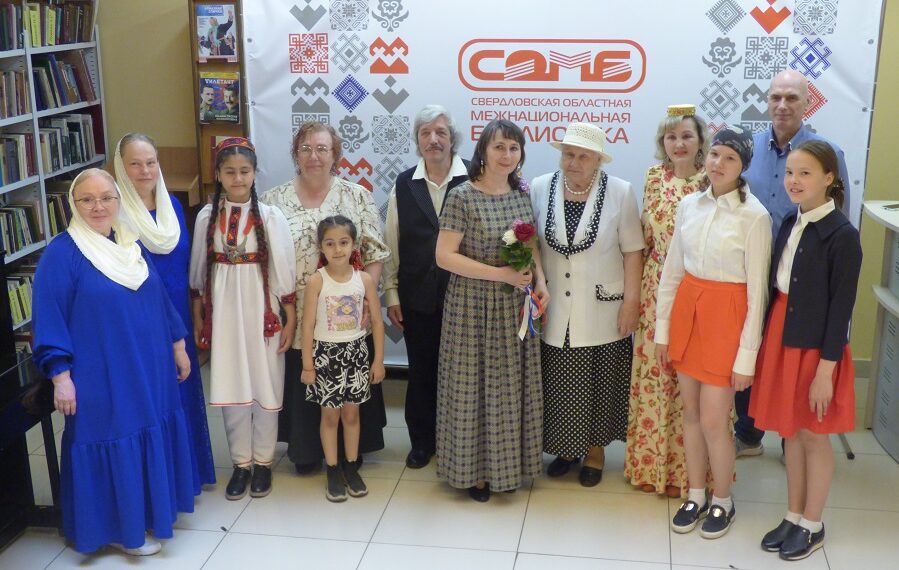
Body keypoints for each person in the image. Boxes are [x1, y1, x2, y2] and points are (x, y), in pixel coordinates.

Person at [33, 169, 195, 556]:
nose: (98, 206)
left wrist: (177, 345)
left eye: (107, 197)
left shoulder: (129, 242)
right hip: (102, 374)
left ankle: (148, 514)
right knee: (111, 435)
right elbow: (49, 318)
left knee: (145, 429)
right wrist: (61, 377)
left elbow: (159, 298)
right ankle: (119, 529)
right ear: (73, 204)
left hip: (149, 367)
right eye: (87, 199)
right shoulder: (62, 254)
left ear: (119, 200)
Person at [655, 126, 772, 539]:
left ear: (743, 166)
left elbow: (757, 293)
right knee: (689, 413)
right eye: (716, 154)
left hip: (727, 318)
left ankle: (723, 499)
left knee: (713, 420)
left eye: (730, 158)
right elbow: (672, 271)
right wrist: (663, 331)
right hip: (688, 312)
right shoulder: (690, 205)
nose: (719, 163)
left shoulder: (755, 216)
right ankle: (696, 494)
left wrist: (746, 357)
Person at [749, 141, 862, 560]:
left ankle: (813, 523)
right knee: (790, 433)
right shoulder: (789, 221)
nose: (794, 181)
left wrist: (825, 372)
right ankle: (793, 514)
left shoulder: (843, 237)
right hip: (783, 334)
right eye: (789, 173)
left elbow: (841, 311)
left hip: (816, 350)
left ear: (829, 178)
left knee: (814, 435)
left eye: (805, 173)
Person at [260, 121, 390, 473]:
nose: (314, 156)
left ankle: (351, 451)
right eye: (306, 149)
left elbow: (375, 253)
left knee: (348, 388)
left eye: (322, 149)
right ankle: (307, 449)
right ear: (295, 154)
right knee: (307, 375)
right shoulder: (272, 201)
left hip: (347, 316)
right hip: (296, 313)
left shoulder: (357, 196)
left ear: (335, 155)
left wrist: (367, 298)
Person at [737, 70, 852, 456]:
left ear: (807, 102)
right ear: (767, 101)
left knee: (796, 359)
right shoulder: (749, 148)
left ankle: (794, 438)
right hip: (753, 272)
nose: (783, 105)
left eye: (792, 98)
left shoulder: (827, 153)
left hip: (804, 280)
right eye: (776, 97)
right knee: (753, 349)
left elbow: (839, 217)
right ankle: (748, 435)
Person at [435, 119, 549, 502]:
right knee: (473, 388)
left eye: (514, 148)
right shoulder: (462, 196)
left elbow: (530, 246)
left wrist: (541, 283)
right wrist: (500, 274)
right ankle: (475, 473)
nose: (507, 155)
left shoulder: (521, 193)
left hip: (513, 305)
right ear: (483, 150)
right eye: (499, 147)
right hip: (471, 307)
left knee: (509, 388)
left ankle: (509, 467)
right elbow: (444, 256)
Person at [529, 122, 644, 487]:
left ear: (598, 160)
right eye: (568, 154)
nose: (574, 162)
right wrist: (538, 282)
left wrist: (631, 302)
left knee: (600, 381)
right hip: (555, 307)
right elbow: (532, 243)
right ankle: (566, 449)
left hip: (603, 306)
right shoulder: (539, 187)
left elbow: (633, 251)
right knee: (561, 381)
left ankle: (595, 452)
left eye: (583, 156)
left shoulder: (621, 192)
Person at [189, 137, 297, 500]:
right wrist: (200, 316)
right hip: (224, 311)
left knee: (266, 381)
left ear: (254, 173)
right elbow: (198, 272)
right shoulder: (206, 217)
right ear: (218, 174)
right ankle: (241, 463)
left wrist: (289, 316)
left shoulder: (270, 217)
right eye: (230, 171)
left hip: (262, 309)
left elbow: (283, 269)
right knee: (232, 381)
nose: (238, 178)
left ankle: (263, 462)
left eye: (245, 171)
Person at [114, 132, 216, 493]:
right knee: (152, 395)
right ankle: (160, 482)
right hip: (141, 320)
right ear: (120, 167)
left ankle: (188, 474)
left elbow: (186, 266)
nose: (145, 170)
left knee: (182, 389)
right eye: (135, 164)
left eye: (151, 162)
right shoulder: (114, 213)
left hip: (178, 314)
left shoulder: (172, 205)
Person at [625, 105, 710, 498]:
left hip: (697, 290)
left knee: (691, 382)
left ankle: (689, 474)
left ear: (700, 141)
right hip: (654, 288)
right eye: (671, 137)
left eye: (687, 136)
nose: (679, 143)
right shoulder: (653, 177)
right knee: (656, 375)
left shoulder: (712, 180)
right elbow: (643, 238)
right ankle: (652, 467)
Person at [382, 105, 469, 469]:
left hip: (466, 298)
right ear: (417, 140)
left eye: (441, 132)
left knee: (463, 375)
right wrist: (392, 294)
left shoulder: (474, 178)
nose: (433, 140)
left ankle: (459, 442)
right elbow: (391, 242)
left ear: (453, 139)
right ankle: (422, 442)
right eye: (425, 133)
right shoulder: (404, 184)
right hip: (417, 298)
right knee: (421, 373)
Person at [301, 216, 386, 502]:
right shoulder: (317, 281)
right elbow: (307, 326)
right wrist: (308, 365)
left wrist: (378, 361)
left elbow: (377, 321)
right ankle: (333, 468)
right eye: (330, 243)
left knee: (351, 414)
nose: (337, 249)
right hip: (326, 357)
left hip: (356, 355)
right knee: (330, 416)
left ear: (354, 245)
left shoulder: (364, 280)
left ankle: (351, 465)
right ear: (321, 247)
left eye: (343, 242)